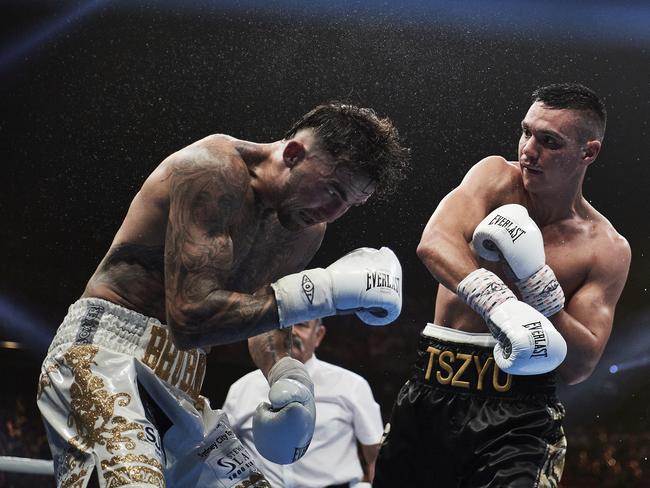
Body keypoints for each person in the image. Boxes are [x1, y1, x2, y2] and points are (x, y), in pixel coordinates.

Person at [36, 102, 409, 488]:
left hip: (182, 381)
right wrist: (326, 293)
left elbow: (263, 311)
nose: (333, 212)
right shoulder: (212, 171)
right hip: (103, 353)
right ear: (294, 153)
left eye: (349, 203)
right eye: (333, 190)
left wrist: (286, 374)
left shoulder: (304, 229)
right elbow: (190, 318)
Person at [373, 83, 631, 487]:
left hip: (519, 418)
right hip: (432, 391)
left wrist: (538, 286)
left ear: (589, 152)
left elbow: (580, 365)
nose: (529, 150)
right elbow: (434, 242)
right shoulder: (494, 177)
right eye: (527, 132)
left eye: (549, 141)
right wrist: (499, 304)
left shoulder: (606, 249)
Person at [223, 318, 383, 488]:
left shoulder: (351, 385)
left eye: (301, 324)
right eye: (282, 326)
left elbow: (375, 458)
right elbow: (222, 453)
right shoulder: (241, 389)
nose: (291, 332)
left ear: (318, 335)